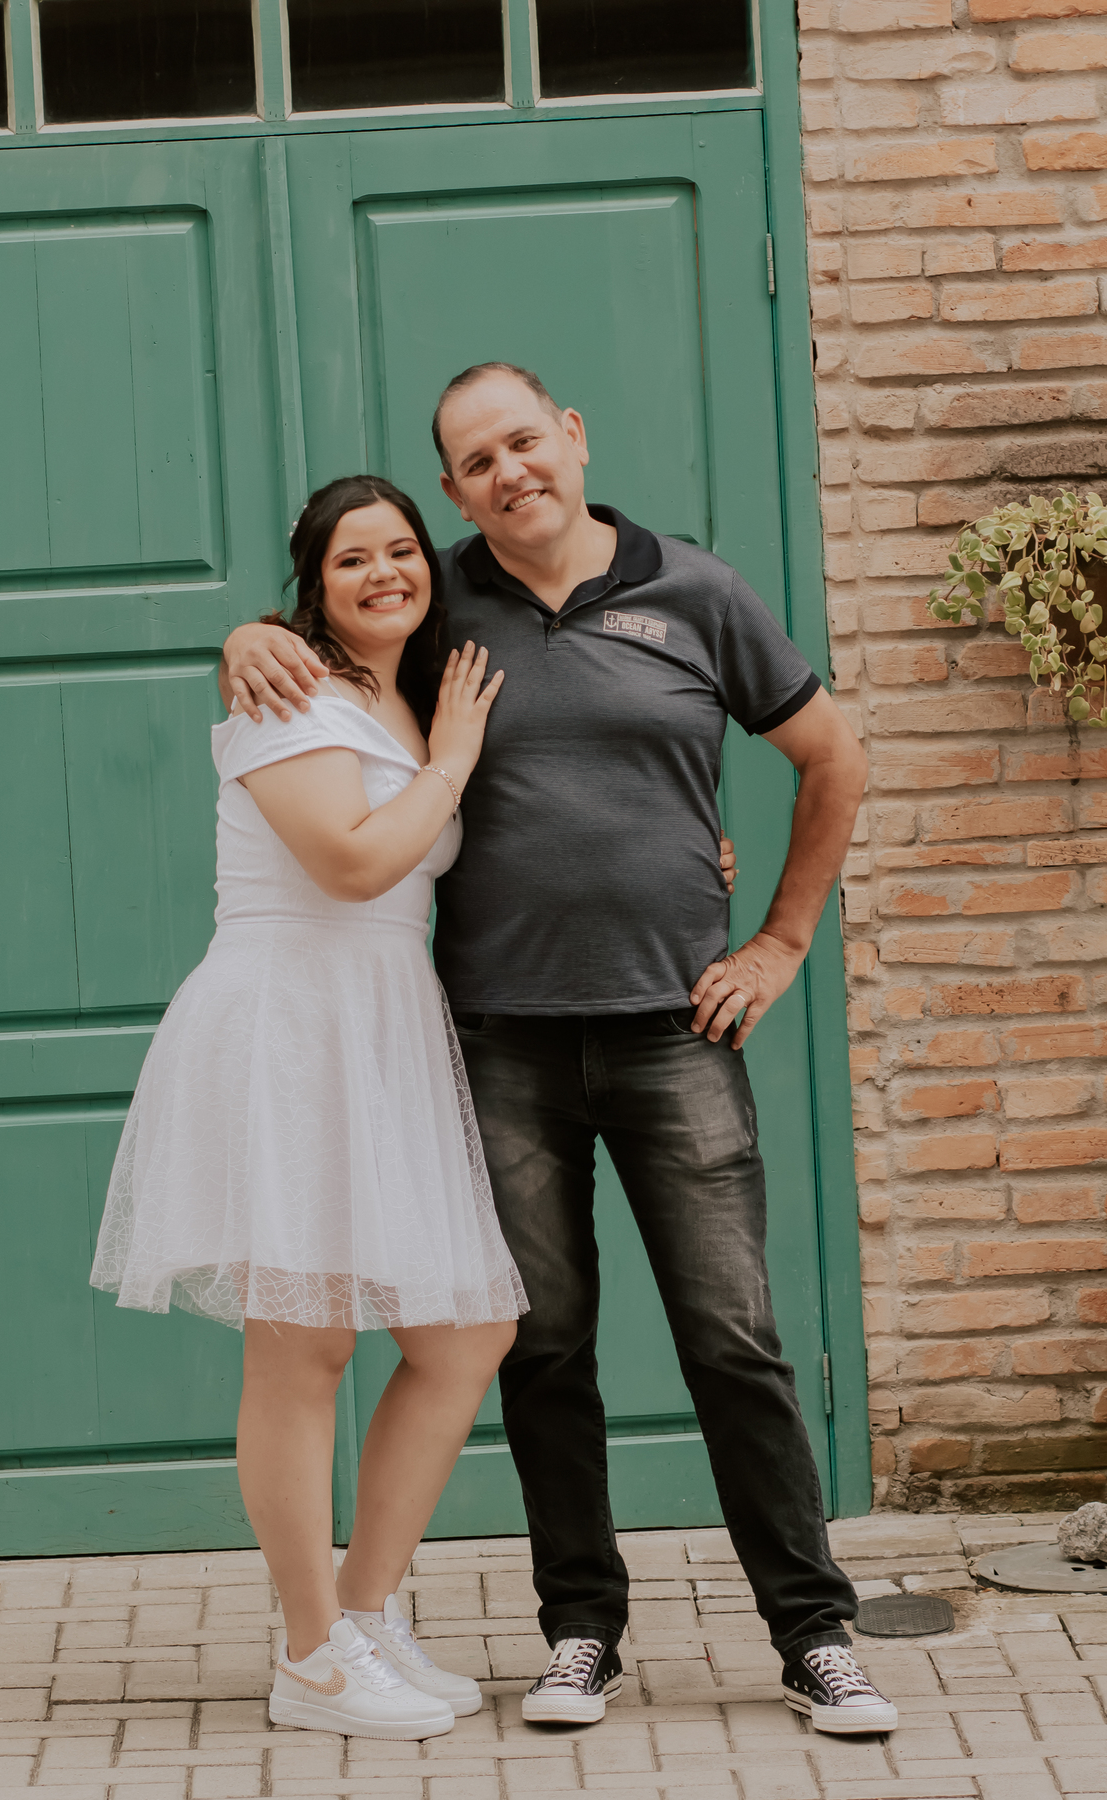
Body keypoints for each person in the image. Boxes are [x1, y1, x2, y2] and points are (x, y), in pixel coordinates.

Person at [220, 365, 898, 1739]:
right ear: (456, 491)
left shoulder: (697, 591)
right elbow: (327, 649)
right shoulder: (436, 604)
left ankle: (816, 1636)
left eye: (523, 441)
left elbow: (833, 755)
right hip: (499, 1043)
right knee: (540, 1349)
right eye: (476, 462)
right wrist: (243, 633)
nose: (508, 472)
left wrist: (779, 941)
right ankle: (581, 1631)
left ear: (572, 437)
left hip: (674, 1030)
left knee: (735, 1342)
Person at [93, 474, 528, 1742]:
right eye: (353, 559)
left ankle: (365, 1612)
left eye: (402, 550)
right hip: (287, 1026)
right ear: (313, 584)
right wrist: (452, 761)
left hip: (381, 1031)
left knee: (468, 1331)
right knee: (306, 1348)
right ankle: (311, 1657)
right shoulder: (290, 692)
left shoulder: (412, 688)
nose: (385, 573)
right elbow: (350, 863)